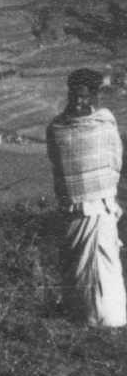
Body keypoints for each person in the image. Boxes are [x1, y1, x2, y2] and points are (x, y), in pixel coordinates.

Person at [46, 68, 126, 328]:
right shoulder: (57, 126)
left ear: (93, 97)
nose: (77, 102)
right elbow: (58, 164)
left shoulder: (105, 123)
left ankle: (110, 319)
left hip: (100, 209)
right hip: (74, 208)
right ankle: (78, 315)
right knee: (76, 266)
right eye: (74, 96)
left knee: (104, 264)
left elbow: (113, 159)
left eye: (83, 97)